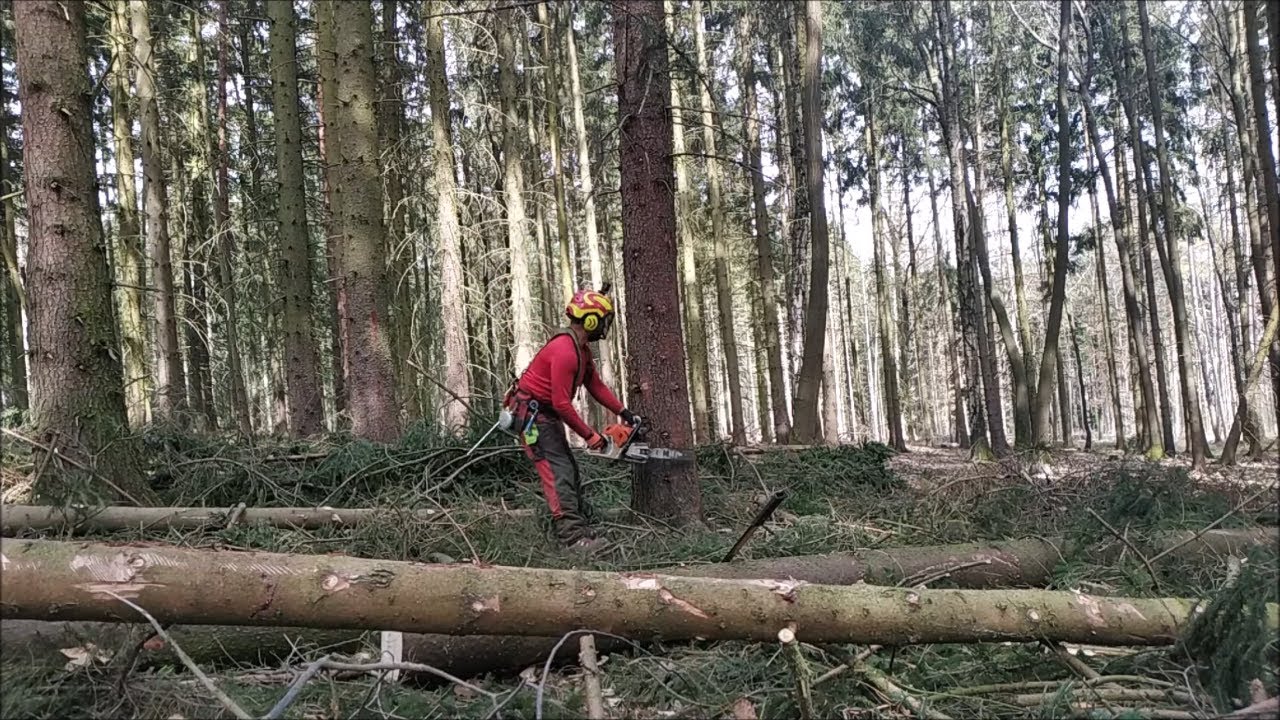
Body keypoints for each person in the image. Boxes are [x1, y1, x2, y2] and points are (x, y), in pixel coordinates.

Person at [504, 288, 640, 551]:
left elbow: (595, 385)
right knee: (559, 472)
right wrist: (591, 436)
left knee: (568, 469)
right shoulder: (565, 351)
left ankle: (579, 527)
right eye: (602, 320)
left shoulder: (581, 350)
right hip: (533, 416)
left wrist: (624, 412)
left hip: (545, 414)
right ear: (590, 320)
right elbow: (562, 403)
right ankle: (571, 538)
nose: (604, 325)